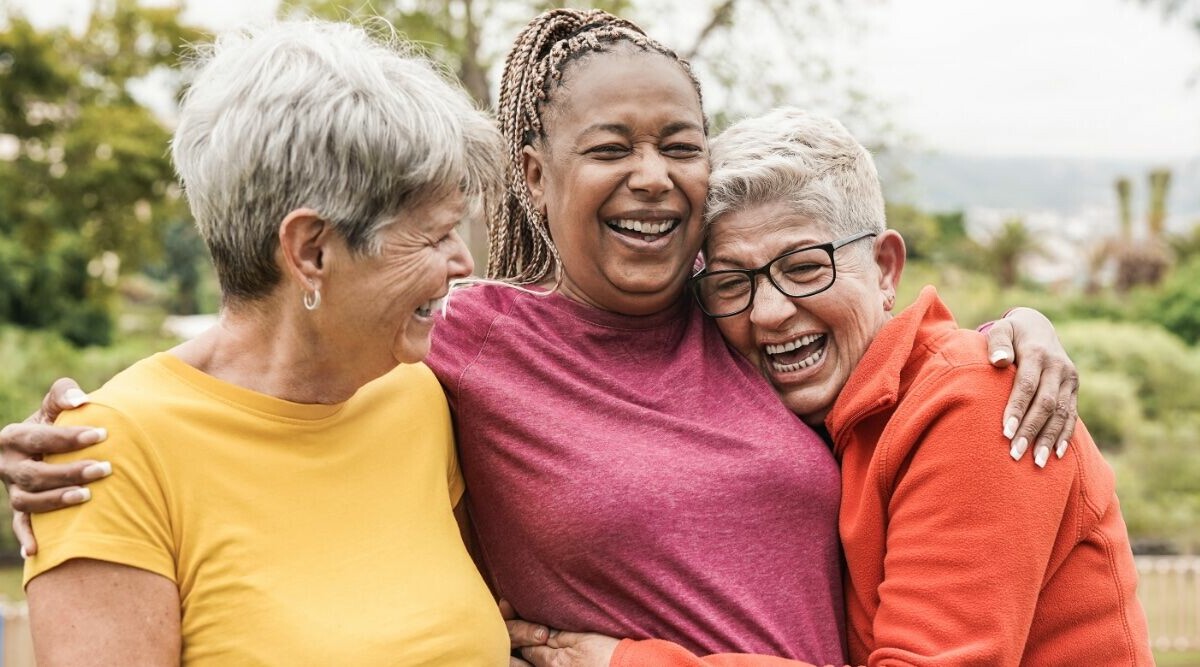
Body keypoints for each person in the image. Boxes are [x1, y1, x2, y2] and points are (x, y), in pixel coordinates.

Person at [2, 10, 1080, 665]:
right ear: (533, 177)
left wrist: (1010, 336)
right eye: (610, 146)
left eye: (681, 146)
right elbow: (242, 383)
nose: (654, 176)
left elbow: (871, 341)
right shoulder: (458, 351)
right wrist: (58, 440)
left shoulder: (743, 316)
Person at [516, 108, 1152, 666]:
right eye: (734, 282)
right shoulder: (817, 412)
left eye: (803, 267)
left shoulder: (978, 406)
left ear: (884, 268)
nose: (768, 312)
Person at [17, 20, 510, 665]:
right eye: (435, 235)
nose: (462, 264)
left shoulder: (418, 394)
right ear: (310, 251)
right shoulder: (108, 456)